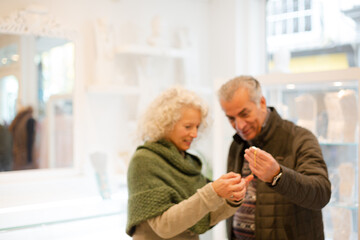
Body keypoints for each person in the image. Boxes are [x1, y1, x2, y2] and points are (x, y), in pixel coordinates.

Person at [126, 86, 253, 240]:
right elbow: (164, 226)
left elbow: (205, 218)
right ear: (166, 123)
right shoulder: (144, 161)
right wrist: (213, 192)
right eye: (188, 126)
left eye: (197, 127)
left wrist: (232, 199)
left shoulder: (187, 162)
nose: (194, 134)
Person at [217, 76, 331, 240]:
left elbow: (321, 194)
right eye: (231, 118)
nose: (239, 126)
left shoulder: (299, 138)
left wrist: (278, 176)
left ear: (261, 102)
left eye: (244, 113)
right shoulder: (237, 144)